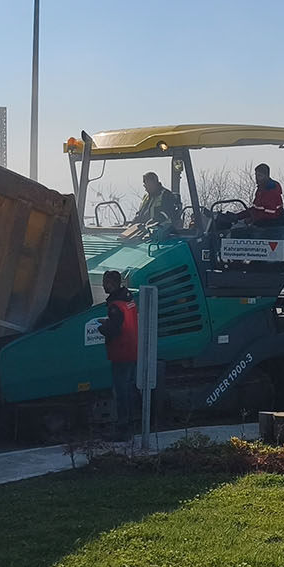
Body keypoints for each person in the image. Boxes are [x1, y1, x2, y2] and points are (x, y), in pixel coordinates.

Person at [96, 270, 140, 434]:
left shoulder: (115, 306)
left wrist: (102, 327)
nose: (103, 285)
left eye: (104, 282)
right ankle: (130, 424)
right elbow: (125, 323)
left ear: (111, 283)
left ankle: (123, 429)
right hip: (132, 350)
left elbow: (114, 330)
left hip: (121, 352)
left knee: (121, 392)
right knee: (129, 390)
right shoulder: (129, 300)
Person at [214, 164, 284, 231]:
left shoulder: (271, 191)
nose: (257, 178)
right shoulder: (261, 189)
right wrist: (237, 216)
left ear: (266, 176)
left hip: (268, 225)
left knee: (235, 230)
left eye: (260, 176)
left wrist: (251, 219)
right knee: (231, 223)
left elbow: (270, 214)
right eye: (256, 175)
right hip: (261, 220)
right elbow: (255, 209)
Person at [127, 172, 182, 241]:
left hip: (162, 232)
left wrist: (152, 222)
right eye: (145, 185)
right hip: (145, 230)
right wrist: (133, 223)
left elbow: (165, 214)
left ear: (154, 183)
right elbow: (140, 213)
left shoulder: (166, 195)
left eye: (148, 185)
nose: (146, 188)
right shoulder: (146, 197)